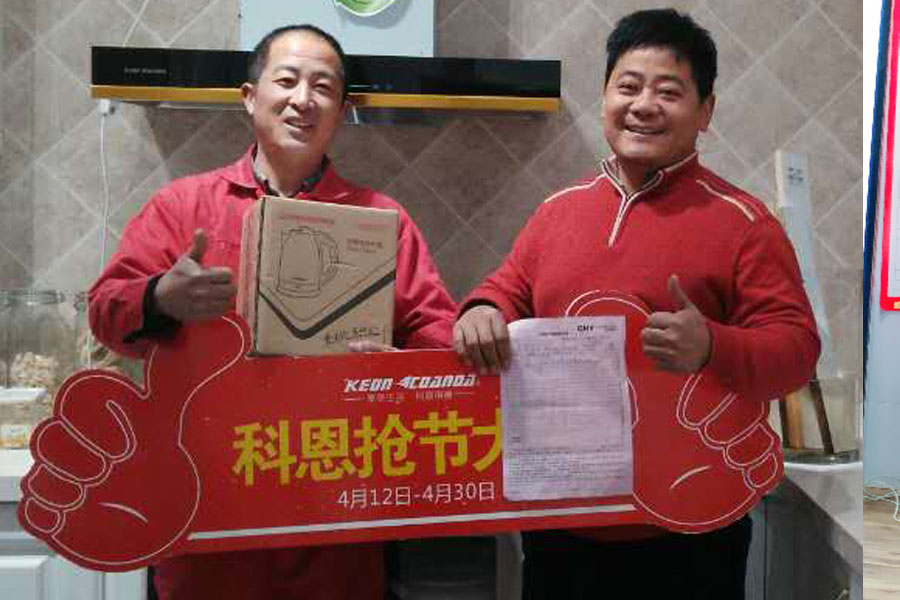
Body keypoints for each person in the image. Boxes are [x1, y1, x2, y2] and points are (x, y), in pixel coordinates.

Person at [453, 8, 820, 599]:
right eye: (628, 86)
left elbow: (797, 352)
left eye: (669, 92)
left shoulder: (744, 224)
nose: (644, 105)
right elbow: (507, 289)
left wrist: (713, 345)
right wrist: (479, 310)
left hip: (690, 531)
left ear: (705, 112)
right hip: (563, 522)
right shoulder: (557, 213)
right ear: (604, 97)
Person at [88, 24, 456, 600]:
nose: (302, 100)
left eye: (323, 88)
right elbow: (104, 311)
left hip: (336, 501)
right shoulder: (183, 206)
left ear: (342, 110)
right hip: (209, 496)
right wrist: (160, 297)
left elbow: (439, 338)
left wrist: (396, 370)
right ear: (249, 96)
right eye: (286, 81)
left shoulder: (381, 220)